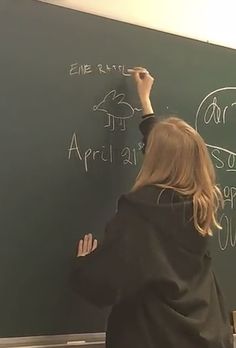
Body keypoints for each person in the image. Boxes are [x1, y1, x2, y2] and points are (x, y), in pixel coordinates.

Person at [71, 68, 233, 348]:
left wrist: (84, 265)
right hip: (207, 334)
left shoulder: (140, 214)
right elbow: (174, 152)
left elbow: (102, 287)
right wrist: (146, 105)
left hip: (153, 336)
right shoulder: (201, 205)